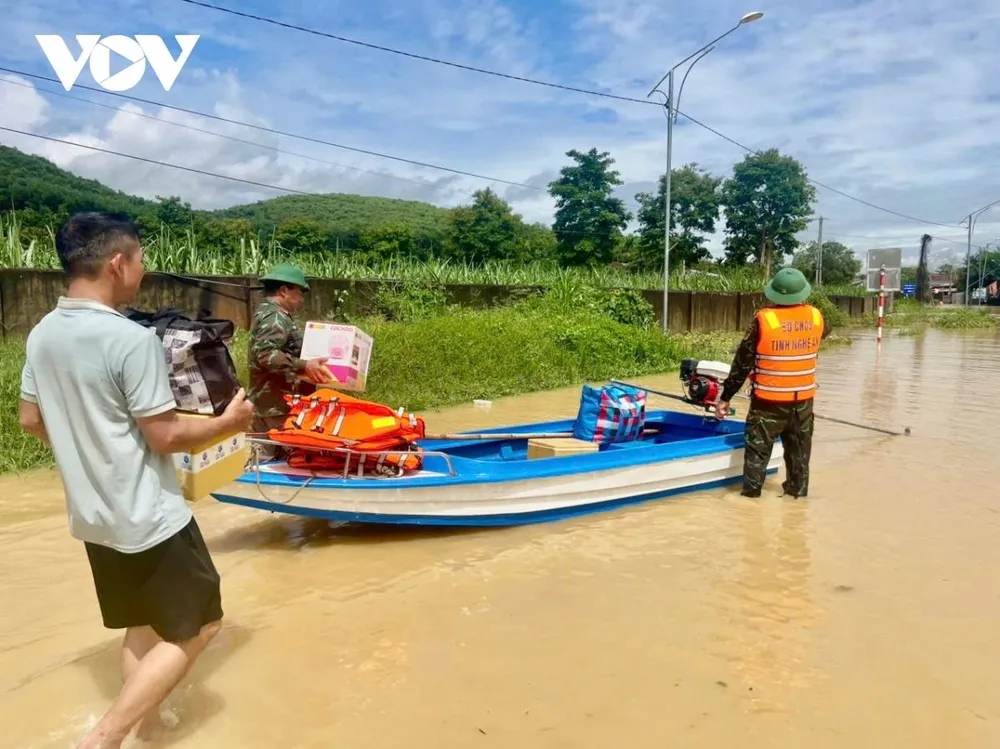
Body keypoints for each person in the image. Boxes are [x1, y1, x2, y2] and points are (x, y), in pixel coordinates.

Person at [17, 212, 254, 748]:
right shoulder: (130, 339)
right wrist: (229, 424)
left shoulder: (42, 335)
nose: (143, 272)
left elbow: (31, 421)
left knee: (146, 624)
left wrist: (90, 450)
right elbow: (165, 436)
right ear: (117, 262)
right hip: (148, 515)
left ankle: (144, 732)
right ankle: (105, 737)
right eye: (141, 260)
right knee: (202, 624)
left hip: (94, 516)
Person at [714, 267, 830, 499]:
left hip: (768, 405)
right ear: (803, 294)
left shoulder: (763, 320)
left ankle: (750, 502)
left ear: (774, 294)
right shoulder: (817, 317)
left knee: (757, 456)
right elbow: (820, 334)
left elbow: (741, 365)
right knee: (799, 459)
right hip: (803, 405)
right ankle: (797, 500)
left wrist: (725, 398)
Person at [246, 262, 334, 461]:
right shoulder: (275, 317)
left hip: (270, 403)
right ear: (284, 290)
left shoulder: (270, 313)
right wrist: (304, 365)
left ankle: (258, 490)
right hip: (276, 406)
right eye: (299, 292)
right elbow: (266, 354)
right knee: (279, 462)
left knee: (265, 463)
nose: (301, 299)